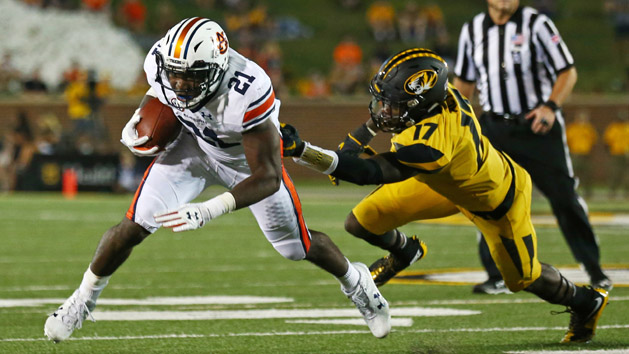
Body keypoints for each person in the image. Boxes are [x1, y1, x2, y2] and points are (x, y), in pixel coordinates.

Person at [43, 18, 391, 343]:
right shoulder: (161, 62)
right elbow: (163, 93)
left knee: (295, 247)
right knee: (132, 226)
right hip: (192, 148)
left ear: (217, 69)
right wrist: (141, 118)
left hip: (243, 162)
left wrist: (209, 209)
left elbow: (268, 177)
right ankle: (82, 300)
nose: (180, 84)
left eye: (191, 77)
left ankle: (356, 282)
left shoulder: (248, 92)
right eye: (174, 74)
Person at [281, 48, 609, 344]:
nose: (385, 110)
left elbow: (368, 173)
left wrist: (304, 151)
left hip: (494, 202)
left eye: (393, 104)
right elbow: (386, 117)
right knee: (361, 222)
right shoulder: (438, 94)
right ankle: (405, 252)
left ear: (418, 104)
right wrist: (362, 134)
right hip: (442, 182)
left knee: (523, 278)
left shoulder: (432, 142)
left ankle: (586, 301)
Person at [452, 0, 611, 294]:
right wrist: (459, 123)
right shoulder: (472, 29)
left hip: (537, 125)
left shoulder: (536, 24)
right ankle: (496, 274)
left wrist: (550, 107)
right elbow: (463, 83)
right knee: (488, 200)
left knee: (564, 197)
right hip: (495, 128)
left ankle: (593, 267)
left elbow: (567, 71)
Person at [565, 110, 598, 199]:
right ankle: (571, 191)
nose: (582, 119)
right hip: (575, 154)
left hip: (586, 155)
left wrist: (590, 152)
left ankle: (588, 192)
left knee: (587, 174)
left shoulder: (589, 129)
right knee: (573, 173)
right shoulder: (571, 128)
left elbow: (594, 142)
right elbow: (566, 142)